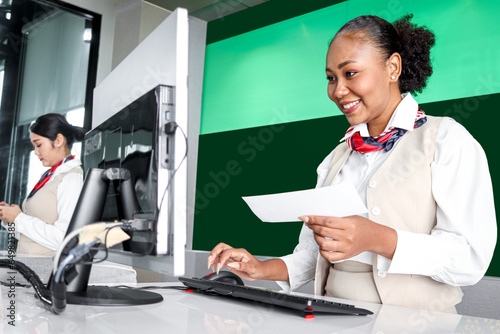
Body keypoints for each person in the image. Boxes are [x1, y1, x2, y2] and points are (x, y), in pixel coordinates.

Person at [207, 14, 497, 312]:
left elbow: (470, 259)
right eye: (331, 78)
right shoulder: (336, 157)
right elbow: (314, 252)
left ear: (392, 67)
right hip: (331, 318)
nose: (338, 91)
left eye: (351, 73)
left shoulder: (446, 139)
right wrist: (261, 269)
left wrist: (377, 238)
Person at [0, 113, 86, 256]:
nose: (35, 152)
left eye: (38, 145)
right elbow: (31, 238)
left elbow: (65, 239)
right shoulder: (49, 176)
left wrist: (19, 218)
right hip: (28, 267)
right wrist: (9, 218)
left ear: (59, 140)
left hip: (44, 273)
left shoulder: (71, 178)